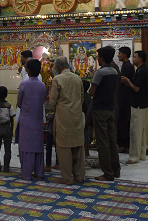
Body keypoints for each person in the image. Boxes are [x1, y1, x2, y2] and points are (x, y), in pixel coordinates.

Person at [49, 56, 85, 185]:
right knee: (77, 145)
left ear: (58, 67)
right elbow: (82, 97)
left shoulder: (57, 79)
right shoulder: (77, 78)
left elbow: (52, 101)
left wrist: (56, 109)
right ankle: (79, 175)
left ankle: (67, 178)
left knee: (64, 146)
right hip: (76, 114)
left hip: (63, 116)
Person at [88, 46, 120, 181]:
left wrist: (91, 81)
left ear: (101, 58)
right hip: (110, 108)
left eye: (98, 57)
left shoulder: (100, 73)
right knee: (112, 140)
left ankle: (107, 173)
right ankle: (116, 169)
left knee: (103, 142)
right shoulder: (114, 71)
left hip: (100, 109)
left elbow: (91, 92)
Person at [16, 59, 47, 181]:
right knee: (38, 146)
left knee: (26, 147)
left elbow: (19, 102)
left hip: (26, 119)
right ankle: (39, 172)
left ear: (28, 70)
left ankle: (27, 174)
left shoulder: (24, 84)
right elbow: (43, 100)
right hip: (38, 119)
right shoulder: (42, 85)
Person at [121, 50, 148, 164]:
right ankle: (141, 154)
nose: (133, 59)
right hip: (142, 104)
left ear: (140, 59)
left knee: (135, 131)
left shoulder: (142, 71)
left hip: (138, 104)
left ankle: (134, 157)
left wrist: (127, 81)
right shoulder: (140, 70)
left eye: (135, 57)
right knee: (141, 131)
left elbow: (136, 89)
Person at [117, 46, 135, 154]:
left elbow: (123, 81)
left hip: (125, 98)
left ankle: (124, 145)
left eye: (119, 53)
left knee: (123, 122)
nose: (118, 55)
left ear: (124, 54)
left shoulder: (127, 66)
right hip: (124, 97)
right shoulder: (125, 65)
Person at [82, 79, 92, 157]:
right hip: (88, 117)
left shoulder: (82, 97)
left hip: (83, 117)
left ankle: (85, 153)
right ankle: (87, 152)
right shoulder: (88, 96)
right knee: (87, 136)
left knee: (84, 136)